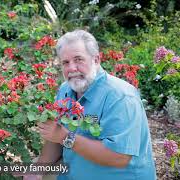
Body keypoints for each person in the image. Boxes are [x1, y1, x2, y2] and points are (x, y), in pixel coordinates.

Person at [27, 30, 156, 180]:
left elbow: (119, 157)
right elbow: (56, 136)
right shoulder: (65, 90)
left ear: (96, 59)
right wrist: (39, 169)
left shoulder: (120, 97)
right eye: (65, 62)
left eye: (78, 60)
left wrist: (65, 137)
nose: (72, 68)